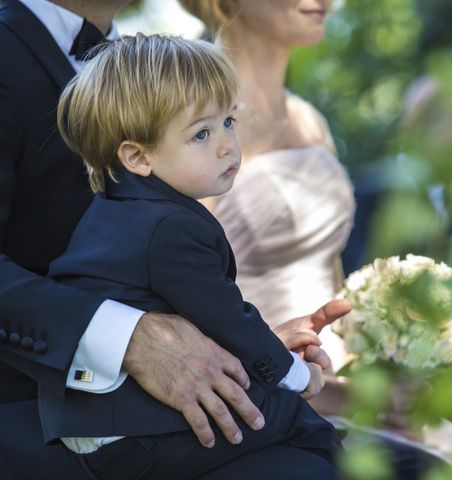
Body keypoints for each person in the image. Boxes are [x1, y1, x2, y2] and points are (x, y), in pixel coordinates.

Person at [0, 1, 349, 478]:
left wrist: (237, 345)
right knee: (315, 444)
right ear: (134, 156)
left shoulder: (146, 66)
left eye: (229, 123)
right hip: (52, 413)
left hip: (164, 394)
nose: (226, 142)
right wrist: (127, 339)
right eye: (204, 132)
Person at [177, 1, 452, 478]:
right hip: (260, 398)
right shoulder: (194, 126)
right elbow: (190, 296)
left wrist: (383, 363)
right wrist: (330, 389)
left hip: (338, 376)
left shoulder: (310, 120)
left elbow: (329, 273)